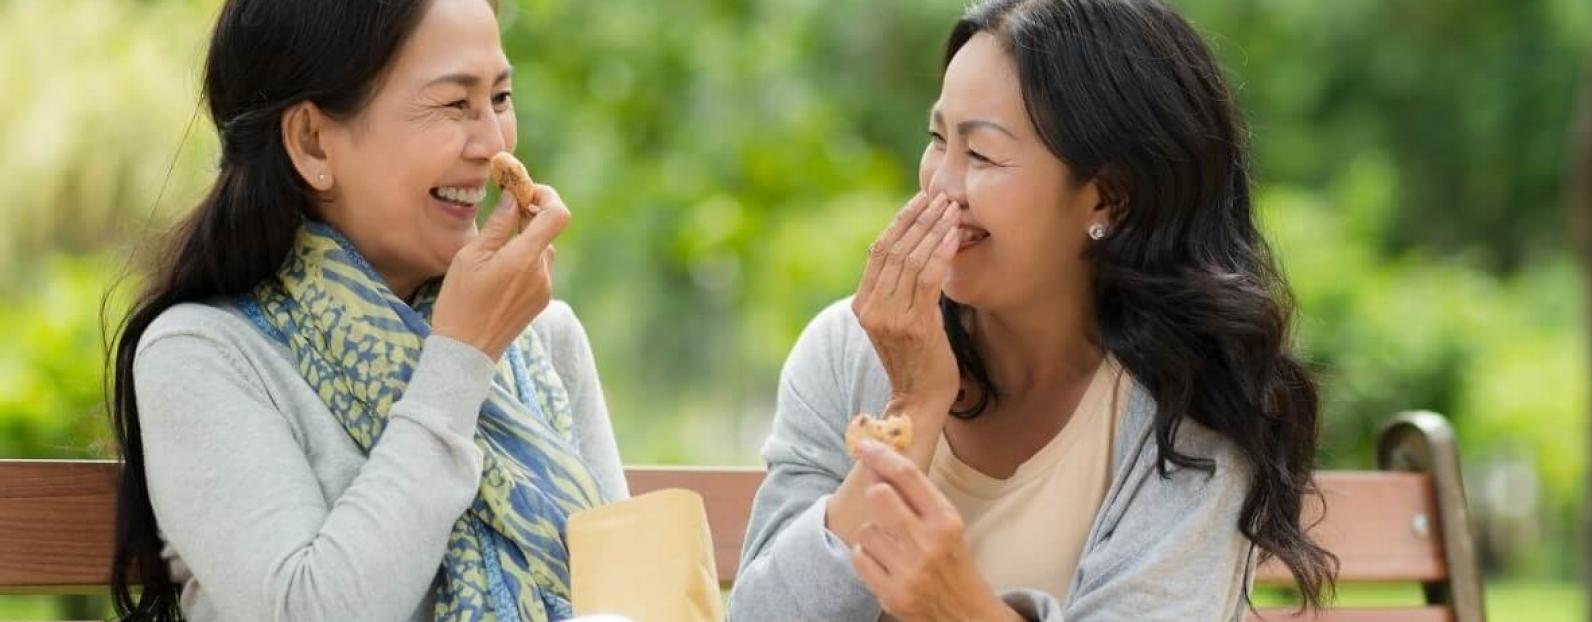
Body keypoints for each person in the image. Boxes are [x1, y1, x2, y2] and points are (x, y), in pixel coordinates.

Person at [728, 0, 1335, 619]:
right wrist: (910, 410)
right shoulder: (852, 349)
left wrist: (960, 609)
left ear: (1109, 199)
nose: (940, 186)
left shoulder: (1192, 399)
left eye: (983, 156)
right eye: (938, 140)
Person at [102, 1, 627, 619]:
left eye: (501, 98)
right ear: (313, 142)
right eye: (455, 104)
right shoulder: (201, 354)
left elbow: (629, 588)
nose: (493, 143)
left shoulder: (542, 339)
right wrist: (460, 362)